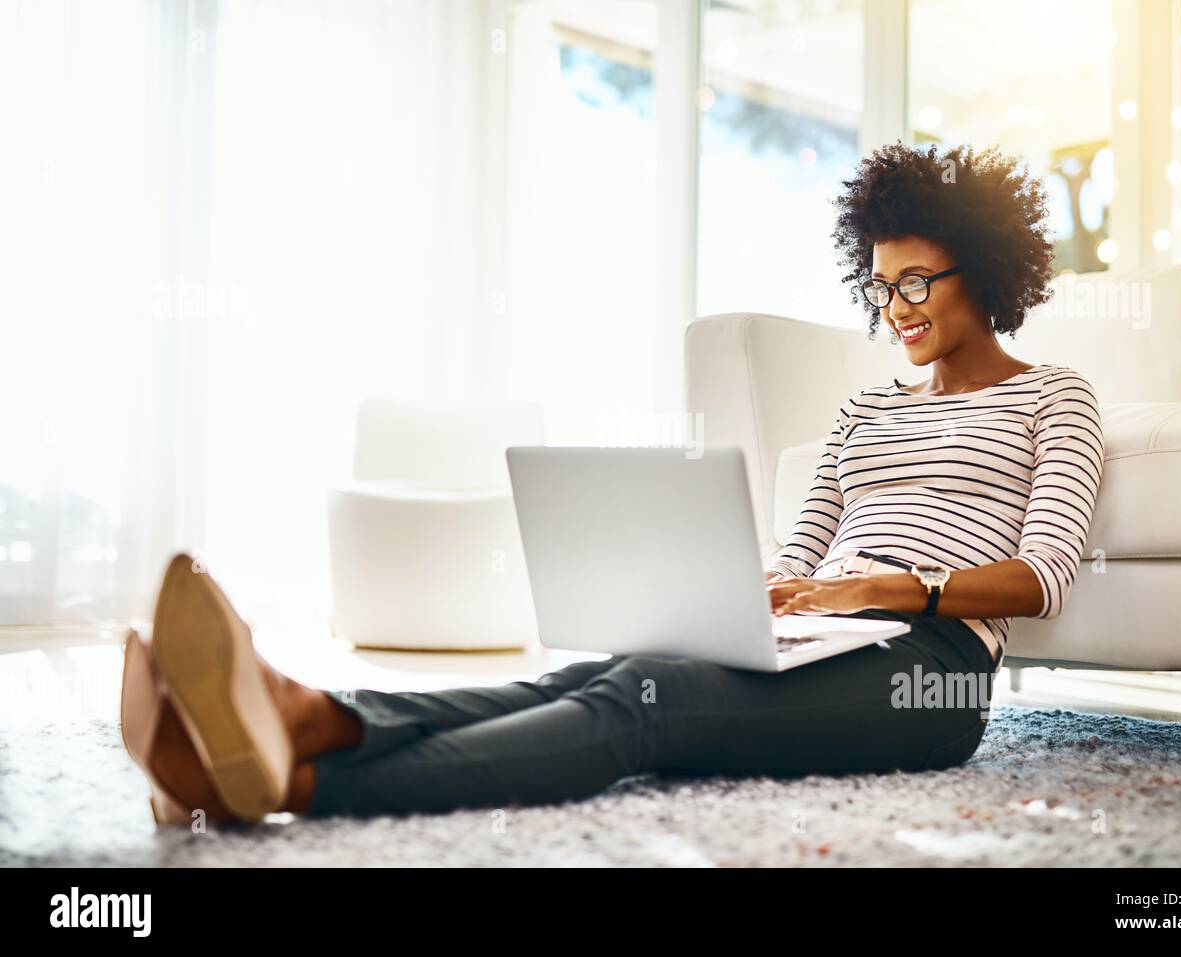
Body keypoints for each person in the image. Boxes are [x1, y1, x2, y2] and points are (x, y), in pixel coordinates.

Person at [120, 142, 1104, 824]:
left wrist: (895, 590)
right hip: (820, 633)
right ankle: (306, 714)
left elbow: (1045, 574)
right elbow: (802, 554)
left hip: (929, 673)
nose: (896, 308)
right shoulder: (862, 411)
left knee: (647, 703)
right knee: (591, 674)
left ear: (980, 271)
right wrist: (749, 594)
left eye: (917, 283)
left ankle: (294, 784)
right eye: (881, 287)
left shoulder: (1055, 398)